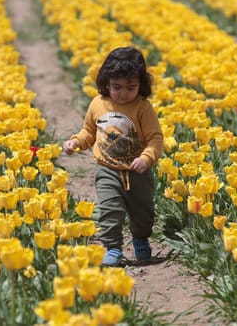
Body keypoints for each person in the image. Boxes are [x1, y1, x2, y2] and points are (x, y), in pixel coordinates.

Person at [63, 46, 163, 267]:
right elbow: (89, 131)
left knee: (142, 214)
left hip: (137, 171)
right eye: (116, 87)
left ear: (142, 85)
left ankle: (140, 238)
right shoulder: (98, 104)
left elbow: (156, 138)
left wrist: (146, 158)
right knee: (110, 210)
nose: (123, 93)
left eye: (131, 87)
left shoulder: (143, 108)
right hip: (107, 168)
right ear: (105, 82)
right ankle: (113, 247)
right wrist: (76, 142)